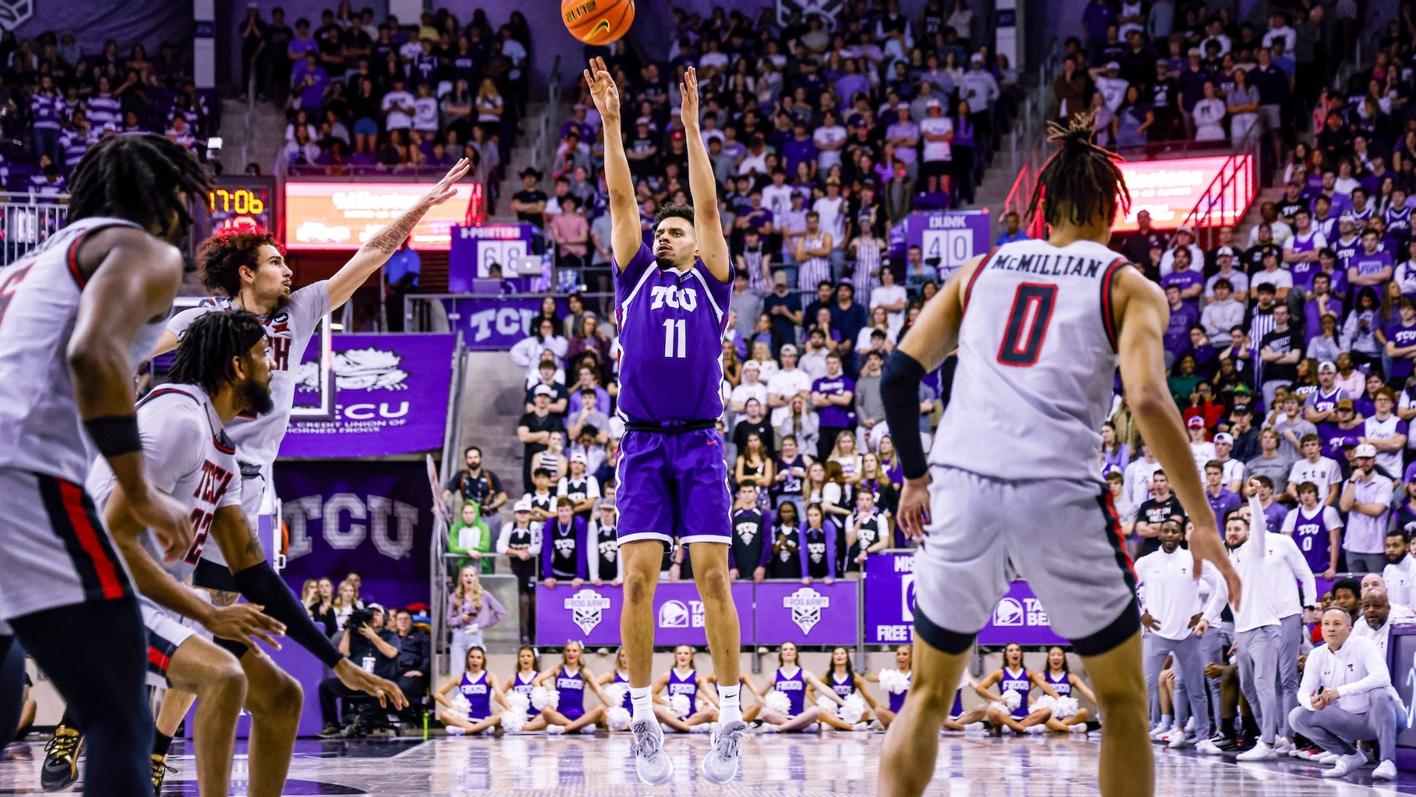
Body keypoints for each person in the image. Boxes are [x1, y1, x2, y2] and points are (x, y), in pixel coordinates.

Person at [875, 116, 1239, 797]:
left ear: (1043, 208)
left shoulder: (979, 269)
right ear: (1111, 210)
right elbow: (1151, 402)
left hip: (962, 485)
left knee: (927, 694)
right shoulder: (1127, 284)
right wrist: (1202, 518)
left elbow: (897, 375)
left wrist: (914, 476)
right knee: (1125, 702)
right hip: (1058, 491)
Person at [137, 160, 464, 795]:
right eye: (277, 262)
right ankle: (86, 716)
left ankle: (155, 746)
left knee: (215, 618)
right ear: (245, 273)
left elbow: (373, 251)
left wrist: (425, 202)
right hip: (187, 467)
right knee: (162, 601)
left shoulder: (302, 310)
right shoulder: (204, 320)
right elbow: (135, 349)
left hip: (241, 485)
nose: (291, 271)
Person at [0, 134, 211, 794]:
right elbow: (94, 355)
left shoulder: (31, 265)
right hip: (23, 475)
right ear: (167, 200)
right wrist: (141, 491)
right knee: (120, 709)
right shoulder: (140, 249)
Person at [585, 57, 745, 784]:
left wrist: (690, 126)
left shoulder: (712, 284)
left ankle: (731, 717)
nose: (670, 235)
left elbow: (709, 210)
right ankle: (644, 718)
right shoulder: (635, 274)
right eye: (666, 230)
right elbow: (621, 197)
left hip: (703, 446)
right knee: (639, 584)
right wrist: (612, 122)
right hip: (645, 446)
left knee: (714, 579)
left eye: (678, 229)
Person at [84, 311, 293, 796]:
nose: (273, 368)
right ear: (237, 366)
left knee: (281, 697)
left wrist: (338, 663)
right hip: (93, 587)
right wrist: (205, 612)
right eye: (265, 356)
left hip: (146, 592)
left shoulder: (221, 450)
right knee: (222, 677)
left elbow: (254, 572)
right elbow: (114, 539)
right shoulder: (177, 418)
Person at [1136, 519, 1227, 749]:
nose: (1169, 534)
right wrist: (1140, 614)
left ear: (1180, 536)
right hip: (1155, 633)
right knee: (1145, 687)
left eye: (1174, 531)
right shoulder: (1146, 562)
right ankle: (1138, 733)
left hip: (1187, 635)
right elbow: (1124, 588)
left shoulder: (1194, 559)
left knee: (1196, 688)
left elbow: (1222, 586)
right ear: (1159, 535)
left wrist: (1205, 615)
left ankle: (1204, 738)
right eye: (1165, 530)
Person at [1288, 608, 1400, 781]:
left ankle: (1387, 761)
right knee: (1298, 716)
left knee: (1379, 694)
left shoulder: (1363, 645)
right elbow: (1303, 691)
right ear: (1322, 629)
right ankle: (1349, 755)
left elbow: (1382, 677)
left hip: (1385, 717)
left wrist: (1340, 691)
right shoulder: (1317, 655)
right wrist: (1312, 702)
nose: (1331, 628)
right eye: (1326, 624)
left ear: (1349, 628)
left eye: (1337, 624)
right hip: (1350, 721)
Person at [1226, 497, 1287, 760]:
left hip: (1264, 628)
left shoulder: (1255, 549)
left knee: (1263, 684)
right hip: (1243, 631)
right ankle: (1265, 735)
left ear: (1248, 533)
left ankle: (1269, 741)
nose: (1232, 532)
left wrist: (1252, 499)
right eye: (1228, 529)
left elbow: (1259, 525)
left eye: (1237, 528)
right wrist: (1206, 617)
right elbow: (1222, 594)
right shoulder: (1228, 560)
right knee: (1249, 687)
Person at [1340, 443, 1395, 573]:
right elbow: (1344, 506)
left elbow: (1377, 510)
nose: (1364, 462)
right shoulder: (1349, 483)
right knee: (1355, 588)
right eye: (1361, 458)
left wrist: (1355, 504)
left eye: (1368, 458)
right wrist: (1352, 481)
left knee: (1376, 587)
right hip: (1353, 545)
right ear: (1356, 460)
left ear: (1374, 460)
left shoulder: (1384, 483)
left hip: (1376, 547)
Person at [535, 640, 610, 734]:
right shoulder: (558, 669)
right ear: (564, 653)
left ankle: (566, 729)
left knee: (601, 708)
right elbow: (536, 680)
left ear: (579, 653)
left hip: (579, 715)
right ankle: (577, 727)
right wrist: (549, 689)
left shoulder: (584, 672)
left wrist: (614, 707)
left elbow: (599, 691)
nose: (571, 653)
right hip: (560, 715)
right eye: (568, 650)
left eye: (574, 651)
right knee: (546, 710)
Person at [434, 646, 510, 735]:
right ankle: (481, 730)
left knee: (502, 715)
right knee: (443, 715)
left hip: (485, 720)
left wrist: (509, 710)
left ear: (483, 660)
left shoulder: (489, 676)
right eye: (472, 657)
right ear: (467, 659)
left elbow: (499, 693)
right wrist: (451, 707)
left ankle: (467, 730)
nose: (475, 660)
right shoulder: (460, 677)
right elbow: (438, 694)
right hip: (465, 720)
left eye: (478, 657)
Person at [446, 565, 506, 676]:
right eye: (466, 575)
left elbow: (500, 612)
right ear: (461, 579)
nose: (468, 578)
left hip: (475, 634)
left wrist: (485, 623)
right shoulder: (454, 597)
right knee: (457, 671)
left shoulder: (485, 596)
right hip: (459, 635)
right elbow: (449, 620)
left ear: (476, 578)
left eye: (471, 575)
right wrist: (460, 618)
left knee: (476, 670)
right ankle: (457, 694)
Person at [651, 645, 719, 731]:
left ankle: (680, 726)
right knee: (655, 709)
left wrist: (721, 706)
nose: (682, 655)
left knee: (711, 712)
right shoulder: (668, 675)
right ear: (675, 656)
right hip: (673, 715)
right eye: (679, 653)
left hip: (692, 717)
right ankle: (688, 728)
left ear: (691, 657)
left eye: (686, 653)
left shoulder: (697, 677)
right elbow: (653, 694)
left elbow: (711, 694)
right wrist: (667, 704)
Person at [1040, 646, 1099, 732]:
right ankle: (1069, 728)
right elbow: (1027, 691)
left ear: (1064, 658)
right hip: (1049, 715)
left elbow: (1087, 692)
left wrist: (1102, 706)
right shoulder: (1042, 676)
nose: (1056, 657)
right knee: (1039, 713)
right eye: (1053, 655)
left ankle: (1053, 728)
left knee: (1084, 712)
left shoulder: (1071, 677)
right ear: (1048, 659)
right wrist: (1034, 704)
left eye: (1059, 655)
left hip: (1067, 715)